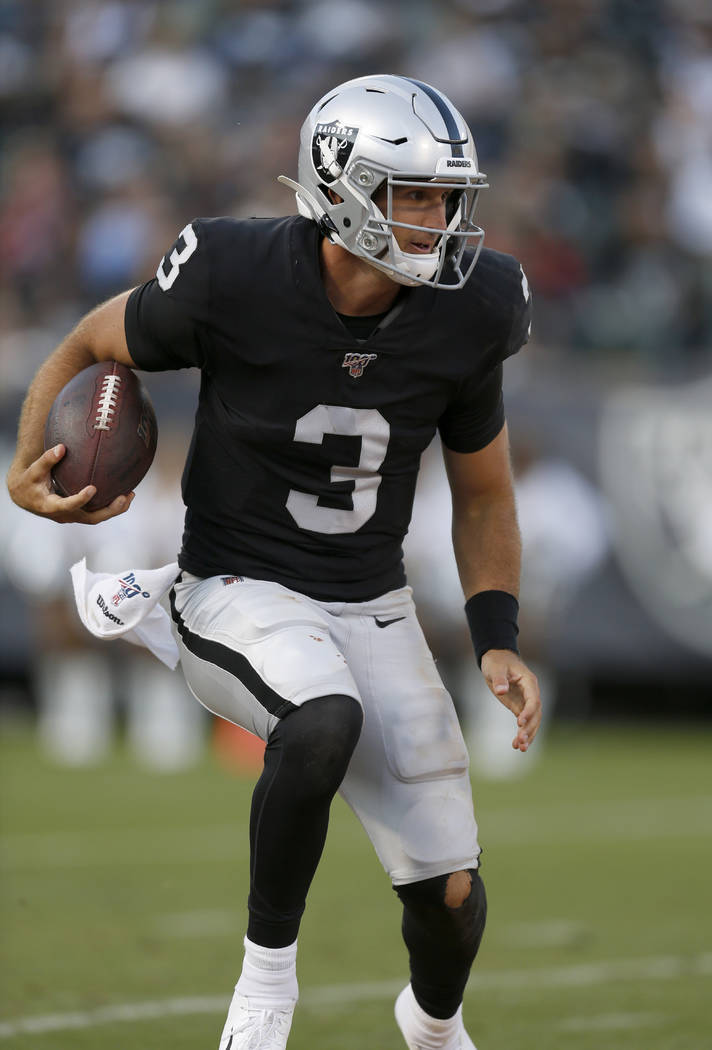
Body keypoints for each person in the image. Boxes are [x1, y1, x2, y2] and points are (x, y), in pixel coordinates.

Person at [7, 74, 542, 1050]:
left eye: (446, 196)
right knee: (320, 719)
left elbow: (485, 491)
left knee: (452, 895)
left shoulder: (473, 308)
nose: (438, 219)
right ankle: (265, 988)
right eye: (412, 194)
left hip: (371, 600)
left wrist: (495, 633)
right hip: (233, 583)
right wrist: (27, 457)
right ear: (339, 188)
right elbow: (91, 337)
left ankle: (430, 1028)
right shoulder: (231, 269)